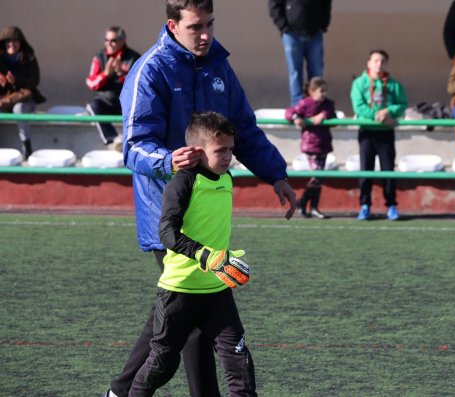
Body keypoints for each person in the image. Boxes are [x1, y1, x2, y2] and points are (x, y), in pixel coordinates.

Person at [104, 1, 297, 397]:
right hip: (169, 217)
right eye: (196, 27)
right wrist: (166, 160)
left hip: (208, 216)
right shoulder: (150, 70)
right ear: (172, 25)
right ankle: (124, 392)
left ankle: (120, 392)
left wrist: (276, 174)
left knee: (182, 313)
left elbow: (243, 128)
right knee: (186, 314)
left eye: (210, 24)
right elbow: (135, 147)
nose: (206, 34)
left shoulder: (218, 66)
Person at [129, 112, 256, 396]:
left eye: (231, 149)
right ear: (197, 152)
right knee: (161, 364)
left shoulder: (227, 179)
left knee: (240, 364)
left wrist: (221, 258)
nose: (228, 156)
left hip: (217, 291)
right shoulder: (183, 181)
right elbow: (167, 232)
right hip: (179, 292)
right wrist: (206, 256)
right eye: (220, 150)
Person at [350, 49, 408, 221]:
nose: (379, 64)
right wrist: (376, 115)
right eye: (376, 61)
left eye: (382, 61)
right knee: (365, 169)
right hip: (367, 132)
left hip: (386, 133)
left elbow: (402, 104)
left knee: (388, 170)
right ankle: (365, 205)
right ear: (369, 63)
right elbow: (358, 106)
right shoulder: (359, 83)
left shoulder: (394, 85)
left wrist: (389, 111)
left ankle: (391, 205)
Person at [285, 77, 336, 219]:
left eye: (326, 90)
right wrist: (296, 117)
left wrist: (324, 115)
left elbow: (334, 117)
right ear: (312, 91)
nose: (324, 93)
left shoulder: (328, 104)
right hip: (311, 145)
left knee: (319, 177)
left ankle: (312, 207)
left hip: (324, 144)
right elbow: (289, 112)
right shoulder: (305, 103)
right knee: (318, 176)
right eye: (321, 91)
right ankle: (303, 204)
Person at [269, 0, 332, 106]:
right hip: (292, 34)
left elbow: (326, 4)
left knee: (316, 70)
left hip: (315, 33)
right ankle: (298, 106)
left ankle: (316, 104)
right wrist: (284, 27)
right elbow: (274, 6)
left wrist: (323, 24)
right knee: (295, 72)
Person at [85, 26, 140, 149]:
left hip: (127, 103)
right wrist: (106, 73)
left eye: (113, 40)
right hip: (107, 101)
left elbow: (138, 86)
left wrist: (121, 73)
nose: (109, 44)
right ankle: (113, 139)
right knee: (93, 105)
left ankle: (135, 144)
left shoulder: (134, 58)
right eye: (106, 40)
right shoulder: (99, 56)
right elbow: (91, 83)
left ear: (123, 40)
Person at [0, 26, 45, 159]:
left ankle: (27, 147)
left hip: (24, 99)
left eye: (15, 41)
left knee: (19, 110)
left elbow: (34, 81)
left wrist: (16, 81)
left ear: (21, 43)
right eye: (8, 41)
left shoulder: (29, 58)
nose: (11, 45)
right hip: (3, 101)